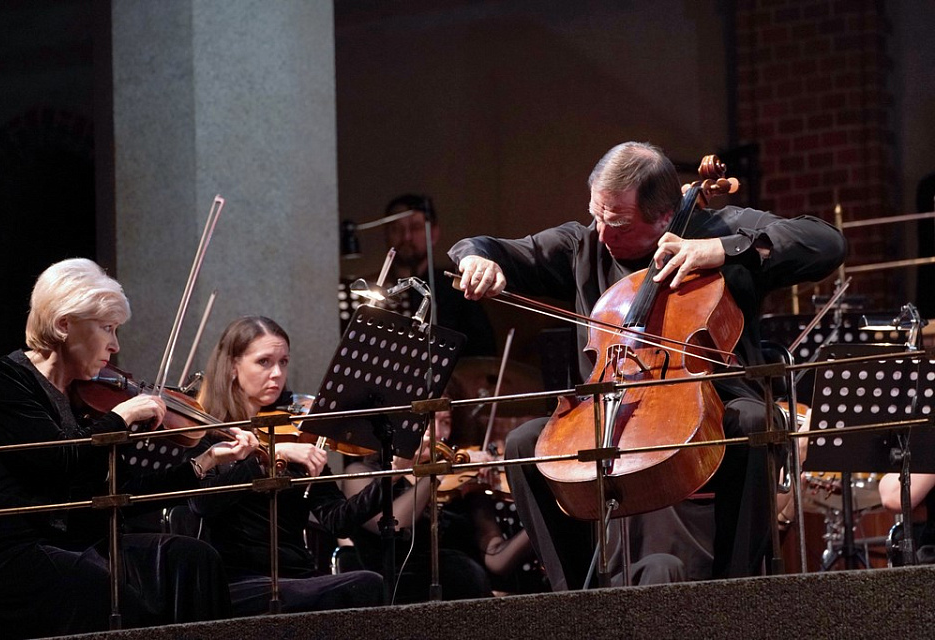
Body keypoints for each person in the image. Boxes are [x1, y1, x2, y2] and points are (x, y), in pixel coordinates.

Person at [449, 141, 847, 585]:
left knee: (756, 422)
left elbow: (827, 242)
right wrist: (477, 260)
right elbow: (482, 246)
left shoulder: (717, 229)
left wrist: (720, 250)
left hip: (713, 408)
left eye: (618, 223)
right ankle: (576, 598)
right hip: (609, 408)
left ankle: (735, 589)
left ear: (664, 217)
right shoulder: (584, 245)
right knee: (525, 444)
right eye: (596, 215)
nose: (602, 233)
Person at [0, 258, 260, 639]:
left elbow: (124, 495)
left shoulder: (84, 398)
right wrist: (119, 419)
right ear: (64, 324)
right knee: (114, 600)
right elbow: (55, 460)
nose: (115, 345)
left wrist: (205, 461)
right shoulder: (3, 380)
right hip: (15, 551)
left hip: (78, 545)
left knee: (193, 560)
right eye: (107, 328)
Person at [188, 316, 386, 615]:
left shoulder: (292, 433)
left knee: (368, 584)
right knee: (363, 587)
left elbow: (337, 520)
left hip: (297, 576)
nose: (277, 374)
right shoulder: (207, 435)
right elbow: (203, 504)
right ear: (232, 366)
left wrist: (392, 476)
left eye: (283, 362)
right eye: (264, 362)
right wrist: (271, 455)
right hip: (238, 580)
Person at [341, 406, 498, 603]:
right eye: (428, 421)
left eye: (446, 422)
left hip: (462, 596)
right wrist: (439, 470)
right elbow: (395, 522)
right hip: (397, 600)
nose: (438, 433)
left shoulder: (458, 484)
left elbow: (496, 557)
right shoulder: (359, 473)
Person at [376, 194, 498, 357]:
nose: (406, 237)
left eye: (416, 227)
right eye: (396, 229)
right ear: (386, 234)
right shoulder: (375, 289)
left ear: (433, 234)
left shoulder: (457, 289)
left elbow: (484, 353)